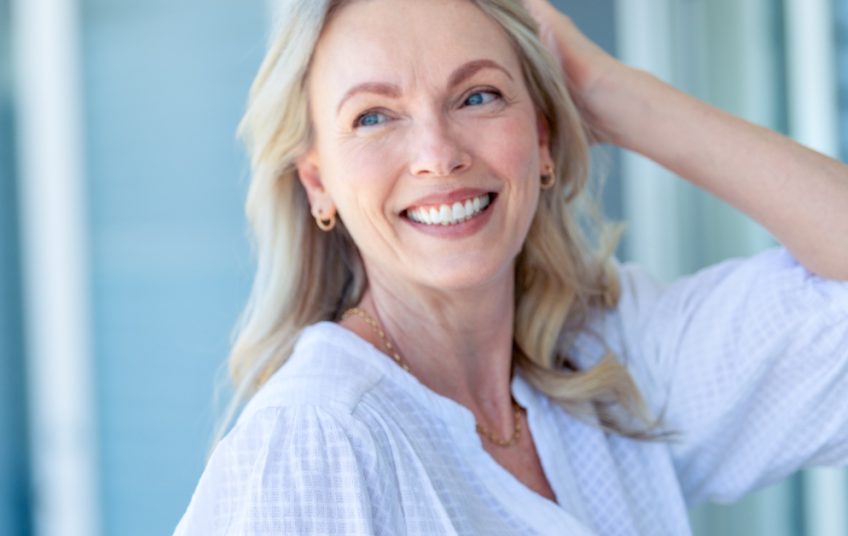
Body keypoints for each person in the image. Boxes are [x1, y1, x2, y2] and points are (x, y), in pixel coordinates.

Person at [175, 0, 848, 533]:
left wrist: (613, 93)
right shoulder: (317, 444)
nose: (437, 155)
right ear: (318, 185)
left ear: (542, 140)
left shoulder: (609, 364)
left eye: (477, 97)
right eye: (375, 116)